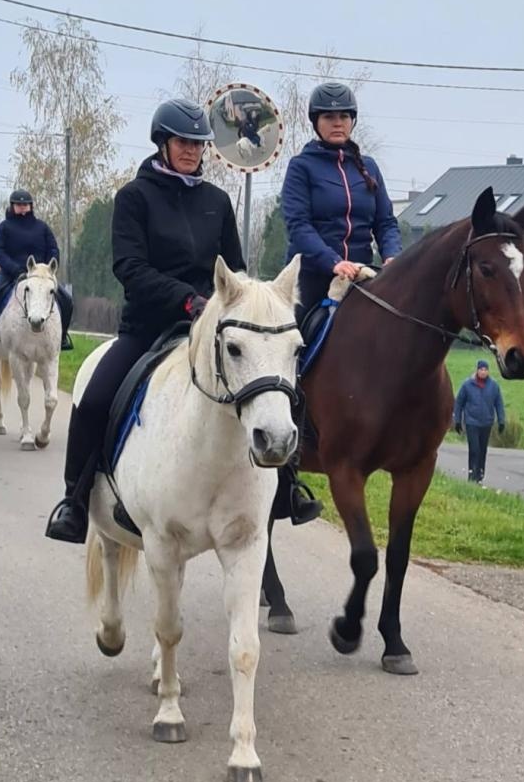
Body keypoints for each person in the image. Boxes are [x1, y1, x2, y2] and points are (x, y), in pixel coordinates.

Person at [45, 97, 321, 545]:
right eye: (183, 142)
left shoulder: (216, 200)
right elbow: (129, 267)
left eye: (198, 144)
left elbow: (234, 266)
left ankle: (287, 489)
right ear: (162, 144)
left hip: (213, 327)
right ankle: (74, 503)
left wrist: (230, 304)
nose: (191, 151)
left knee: (276, 388)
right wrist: (187, 301)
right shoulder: (134, 198)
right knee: (95, 399)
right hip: (152, 326)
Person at [281, 81, 402, 318]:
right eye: (329, 116)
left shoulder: (369, 167)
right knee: (290, 344)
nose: (338, 122)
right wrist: (333, 262)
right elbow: (299, 226)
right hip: (312, 277)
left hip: (361, 275)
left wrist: (392, 256)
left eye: (344, 116)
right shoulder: (301, 167)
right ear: (316, 121)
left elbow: (385, 222)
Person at [0, 190, 73, 351]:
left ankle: (62, 337)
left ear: (31, 206)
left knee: (67, 300)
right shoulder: (4, 228)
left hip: (40, 275)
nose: (22, 207)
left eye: (25, 204)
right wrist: (14, 269)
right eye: (19, 205)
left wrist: (47, 269)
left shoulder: (42, 227)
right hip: (11, 273)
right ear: (12, 206)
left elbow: (53, 249)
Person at [453, 359, 506, 485]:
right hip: (472, 422)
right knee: (474, 449)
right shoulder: (467, 385)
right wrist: (457, 421)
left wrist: (501, 420)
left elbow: (499, 403)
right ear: (477, 370)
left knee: (482, 450)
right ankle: (472, 473)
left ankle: (480, 474)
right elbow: (459, 403)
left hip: (486, 422)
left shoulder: (493, 386)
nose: (483, 372)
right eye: (481, 369)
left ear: (488, 371)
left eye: (485, 370)